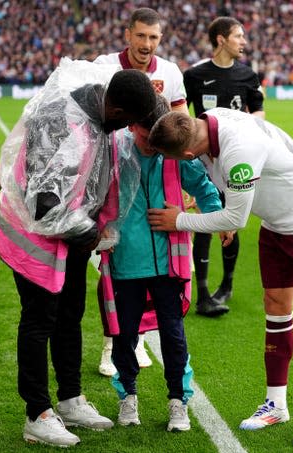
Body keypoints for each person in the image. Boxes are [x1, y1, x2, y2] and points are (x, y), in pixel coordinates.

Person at [147, 108, 293, 447]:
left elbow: (235, 219)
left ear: (189, 154)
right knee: (276, 307)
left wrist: (179, 220)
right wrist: (215, 210)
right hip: (277, 221)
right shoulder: (210, 121)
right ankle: (276, 404)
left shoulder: (239, 152)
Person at [0, 60, 157, 448]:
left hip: (70, 239)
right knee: (39, 320)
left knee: (70, 312)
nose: (125, 130)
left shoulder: (99, 110)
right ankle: (37, 413)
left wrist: (94, 228)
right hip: (34, 236)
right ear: (116, 110)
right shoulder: (61, 123)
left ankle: (69, 399)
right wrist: (88, 231)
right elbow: (45, 206)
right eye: (127, 121)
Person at [100, 95, 222, 431]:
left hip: (169, 262)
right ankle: (127, 397)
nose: (151, 141)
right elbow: (92, 194)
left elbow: (204, 187)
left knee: (173, 334)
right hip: (124, 260)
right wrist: (100, 227)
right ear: (132, 125)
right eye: (144, 133)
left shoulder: (172, 149)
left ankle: (177, 401)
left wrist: (218, 219)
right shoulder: (115, 152)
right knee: (123, 335)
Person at [93, 6, 188, 377]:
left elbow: (180, 124)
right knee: (111, 269)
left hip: (153, 180)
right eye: (141, 36)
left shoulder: (170, 73)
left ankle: (133, 340)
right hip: (111, 180)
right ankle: (109, 346)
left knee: (152, 268)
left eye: (153, 38)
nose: (146, 44)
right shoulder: (104, 66)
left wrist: (185, 182)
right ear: (128, 34)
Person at [183, 16, 265, 317]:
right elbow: (184, 117)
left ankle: (227, 284)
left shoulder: (248, 75)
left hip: (233, 160)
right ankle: (203, 292)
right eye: (238, 36)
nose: (243, 41)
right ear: (221, 39)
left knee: (233, 219)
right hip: (204, 161)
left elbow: (259, 114)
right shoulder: (193, 75)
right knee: (206, 220)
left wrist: (239, 132)